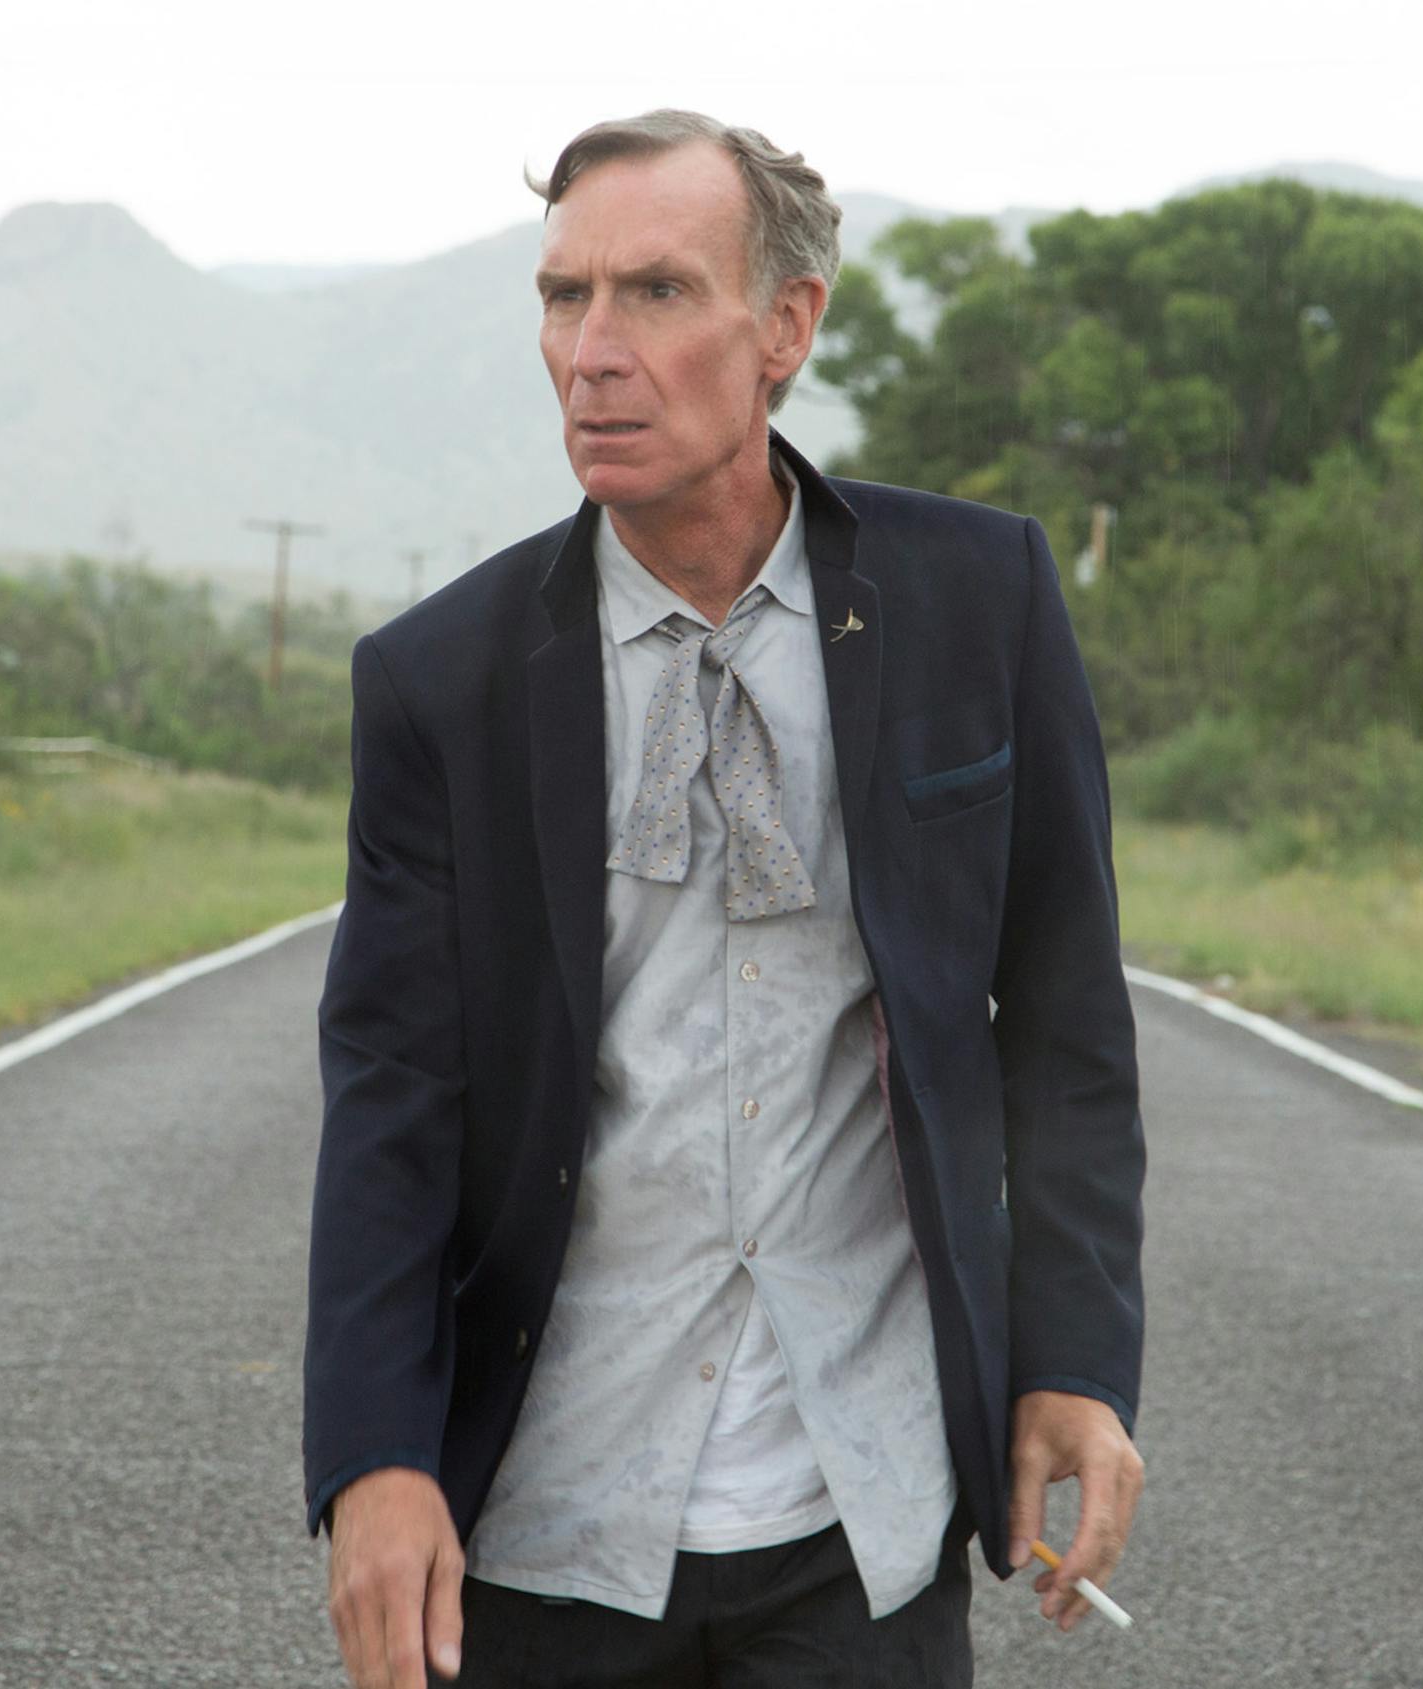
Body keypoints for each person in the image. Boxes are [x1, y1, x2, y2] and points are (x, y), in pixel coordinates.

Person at [305, 109, 1145, 1689]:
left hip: (866, 1506)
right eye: (565, 298)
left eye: (657, 294)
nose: (593, 353)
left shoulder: (980, 602)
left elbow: (1065, 1026)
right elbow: (392, 1102)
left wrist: (1079, 1360)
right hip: (551, 1516)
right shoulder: (440, 682)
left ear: (786, 329)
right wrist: (374, 1456)